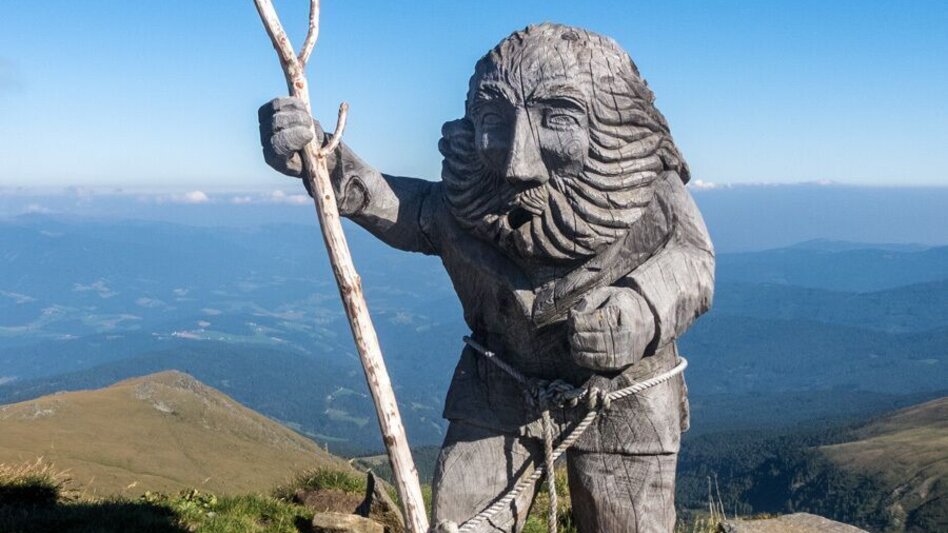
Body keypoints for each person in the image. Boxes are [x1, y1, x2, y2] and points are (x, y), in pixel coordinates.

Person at [259, 23, 714, 533]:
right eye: (494, 120)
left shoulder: (651, 192)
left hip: (623, 398)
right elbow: (410, 210)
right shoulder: (469, 198)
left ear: (612, 125)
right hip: (497, 385)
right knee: (464, 518)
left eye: (557, 119)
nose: (516, 162)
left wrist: (638, 312)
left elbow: (693, 261)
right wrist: (323, 159)